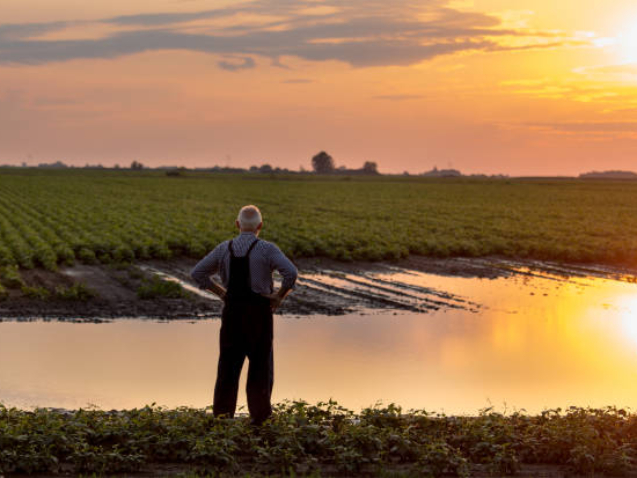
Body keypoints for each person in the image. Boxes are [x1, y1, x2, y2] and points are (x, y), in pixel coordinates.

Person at [190, 205, 297, 425]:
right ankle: (260, 420)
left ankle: (222, 419)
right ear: (260, 226)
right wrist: (279, 297)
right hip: (259, 314)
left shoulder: (224, 249)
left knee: (228, 367)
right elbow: (291, 273)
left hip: (232, 314)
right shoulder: (267, 249)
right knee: (260, 366)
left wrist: (221, 293)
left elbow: (197, 272)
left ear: (237, 225)